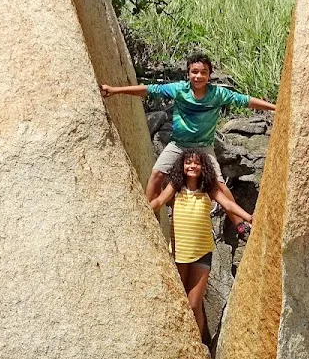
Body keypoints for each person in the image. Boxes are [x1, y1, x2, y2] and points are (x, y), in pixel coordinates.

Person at [100, 53, 275, 236]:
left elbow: (246, 101)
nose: (198, 76)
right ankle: (148, 214)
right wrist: (114, 90)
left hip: (203, 146)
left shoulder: (218, 94)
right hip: (179, 144)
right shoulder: (179, 90)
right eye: (194, 72)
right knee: (157, 174)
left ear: (209, 75)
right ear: (188, 74)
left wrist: (274, 108)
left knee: (219, 185)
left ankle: (240, 224)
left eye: (203, 73)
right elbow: (148, 90)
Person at [150, 148, 253, 342]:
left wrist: (248, 217)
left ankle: (196, 343)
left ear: (203, 166)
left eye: (196, 163)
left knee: (194, 303)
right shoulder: (176, 186)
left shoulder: (208, 189)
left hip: (202, 252)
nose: (192, 166)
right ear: (182, 166)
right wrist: (144, 207)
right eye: (188, 162)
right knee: (180, 302)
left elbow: (228, 205)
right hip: (179, 253)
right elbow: (160, 200)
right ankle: (181, 340)